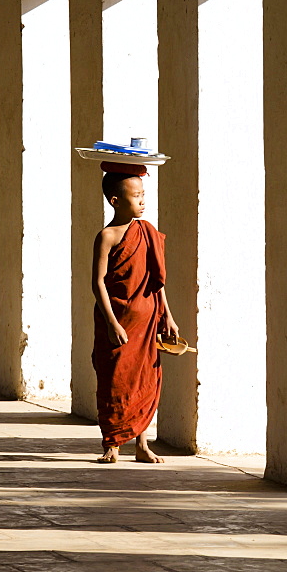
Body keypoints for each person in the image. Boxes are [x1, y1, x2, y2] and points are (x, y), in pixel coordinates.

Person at [91, 167, 178, 464]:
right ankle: (112, 443)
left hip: (148, 318)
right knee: (115, 379)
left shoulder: (148, 232)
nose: (143, 201)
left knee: (146, 381)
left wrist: (167, 314)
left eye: (144, 195)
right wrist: (111, 322)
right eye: (136, 195)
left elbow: (157, 279)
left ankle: (142, 444)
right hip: (117, 320)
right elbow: (98, 282)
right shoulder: (107, 236)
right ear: (115, 200)